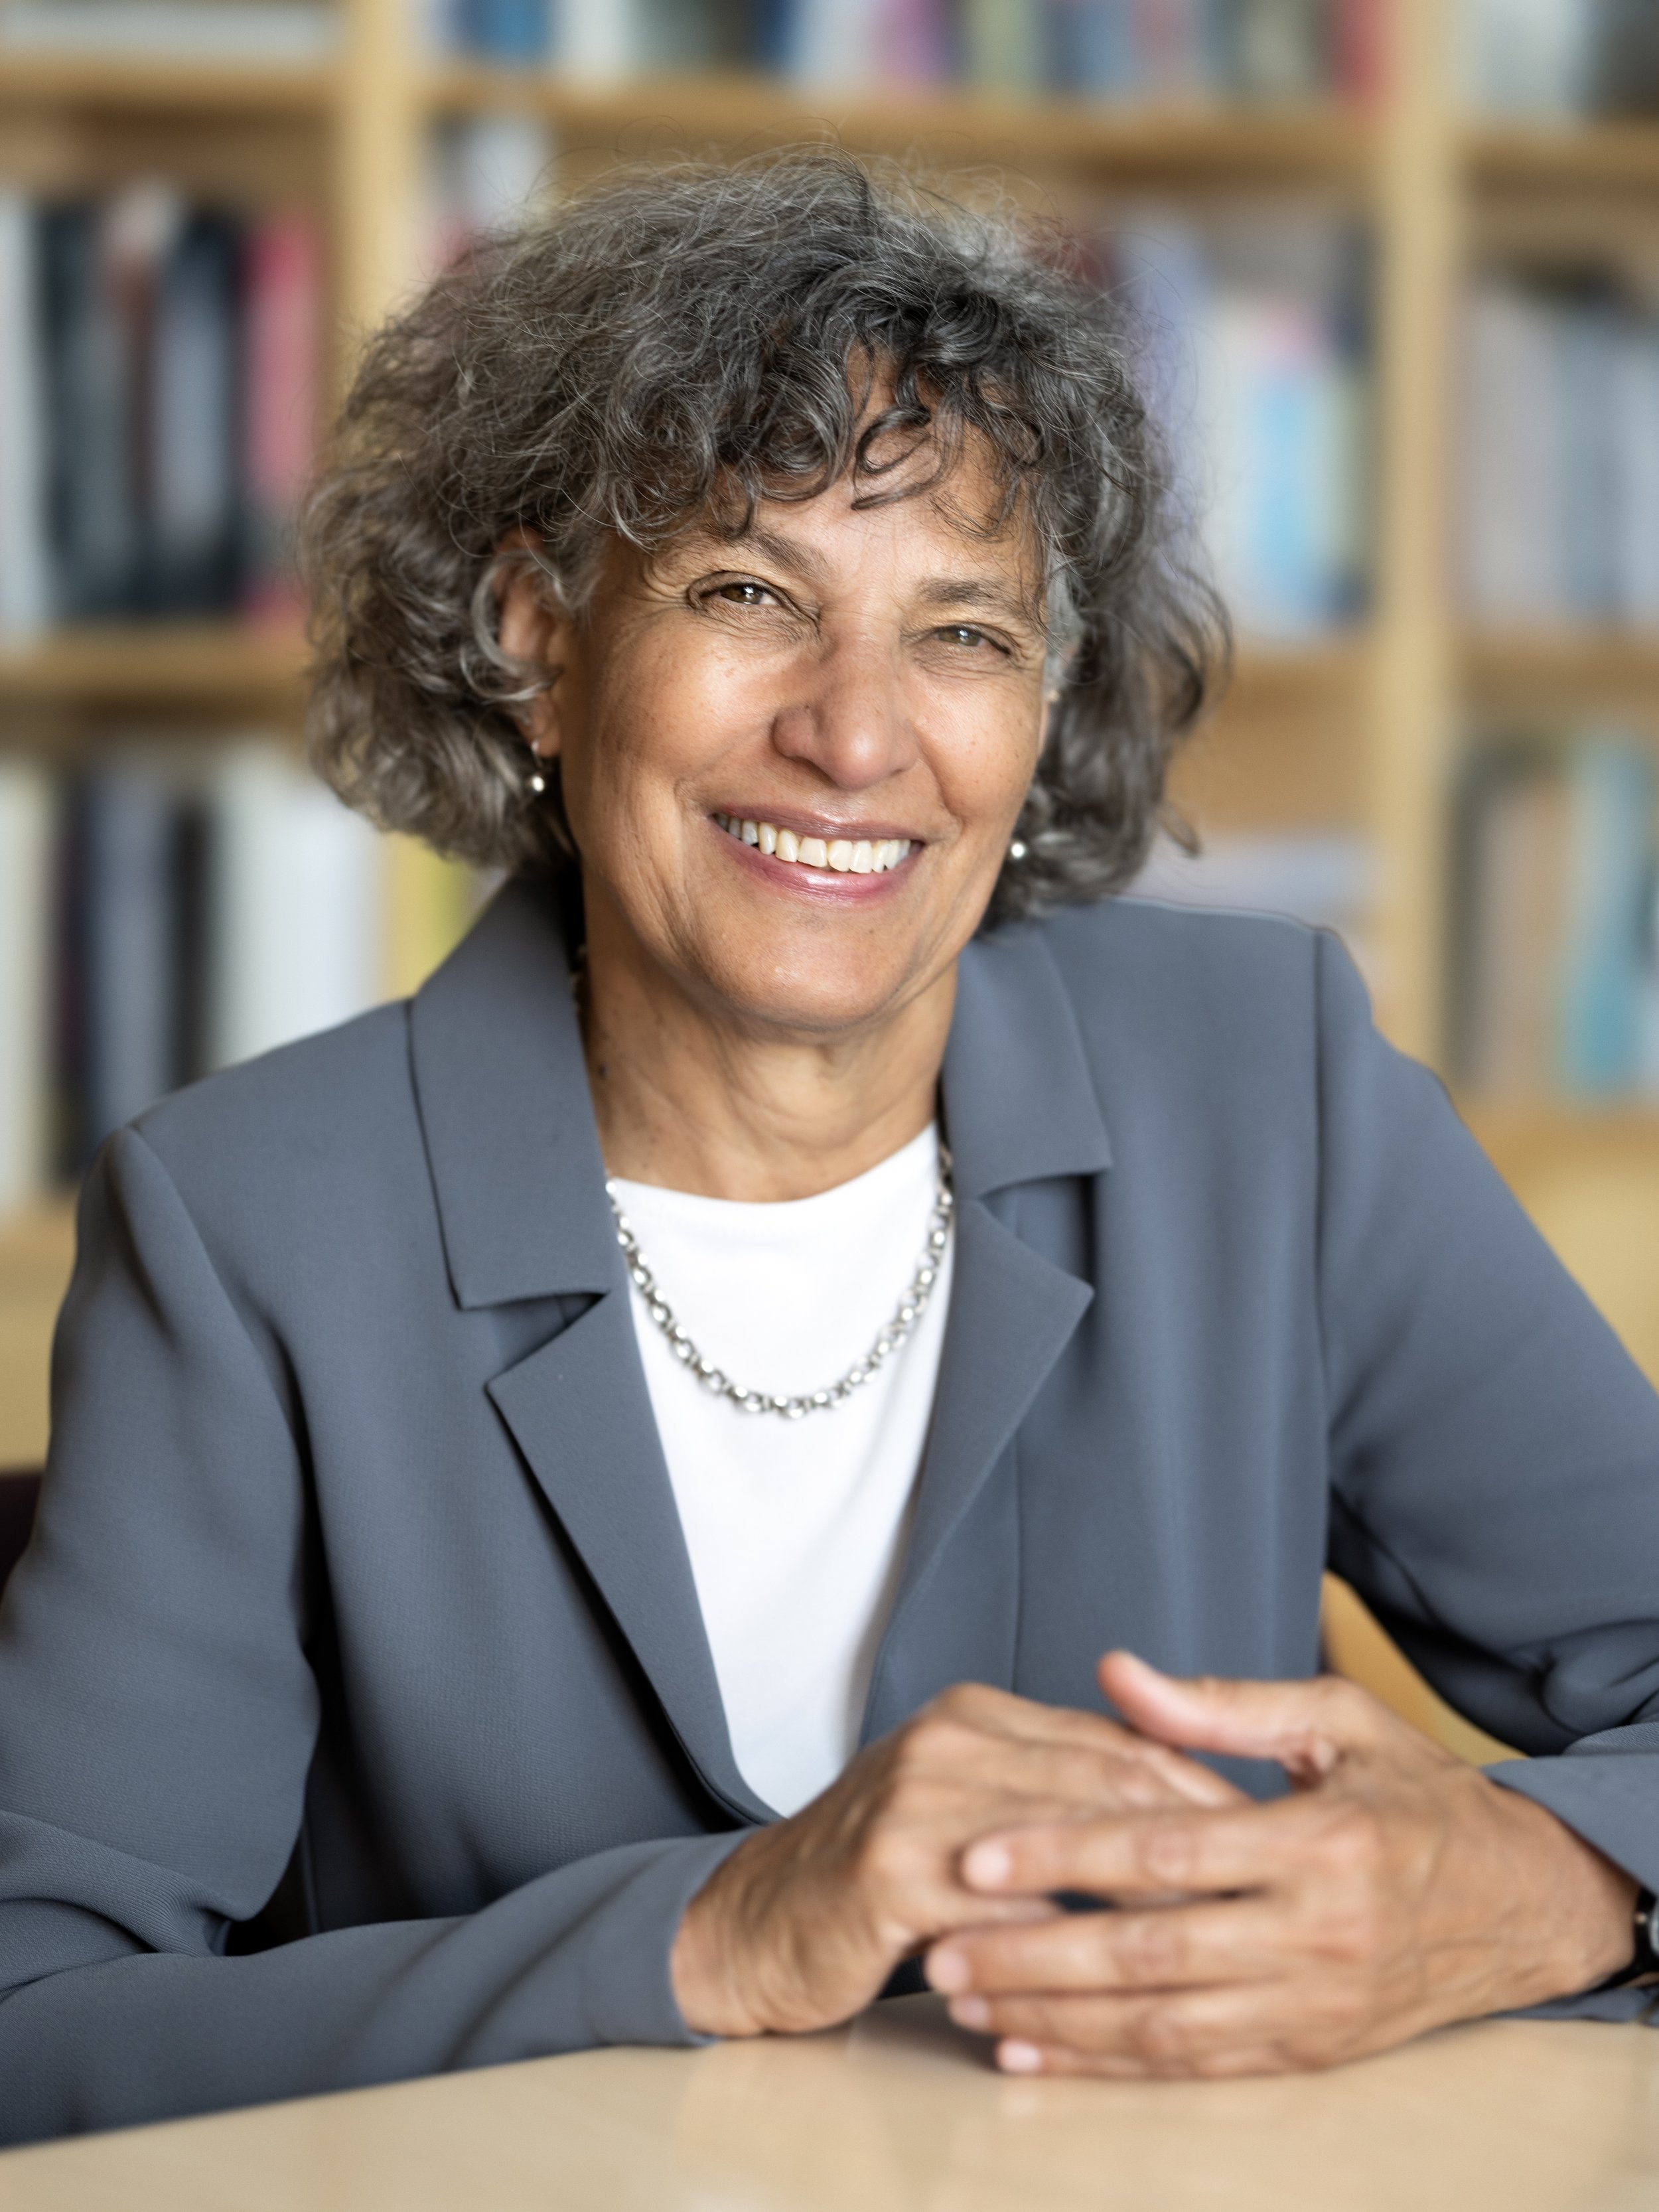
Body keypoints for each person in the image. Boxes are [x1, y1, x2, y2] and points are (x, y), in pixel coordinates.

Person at [2, 151, 1656, 2147]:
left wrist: (1532, 1881)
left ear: (1041, 708)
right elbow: (40, 2023)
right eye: (747, 595)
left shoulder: (1266, 1090)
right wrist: (710, 1928)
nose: (857, 737)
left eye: (961, 635)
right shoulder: (251, 1228)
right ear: (538, 632)